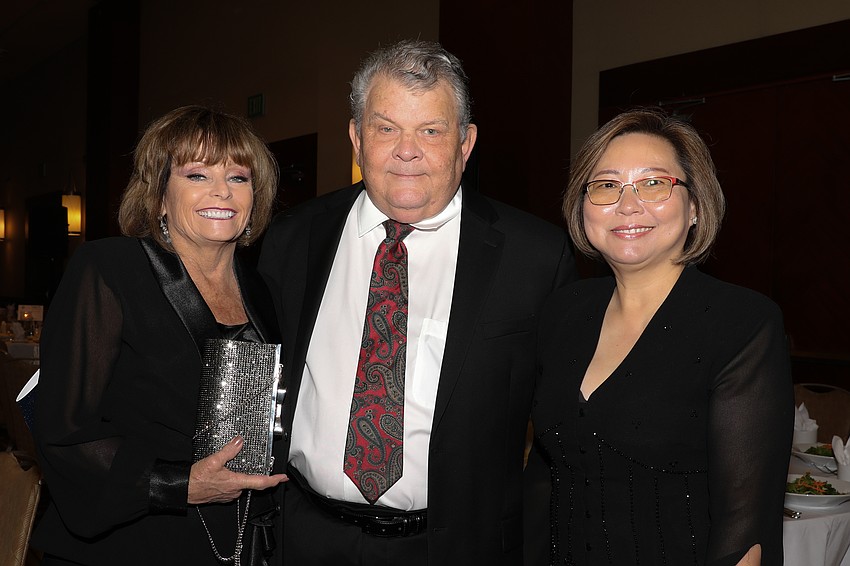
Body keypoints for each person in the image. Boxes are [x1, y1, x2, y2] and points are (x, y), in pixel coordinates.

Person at [257, 39, 577, 566]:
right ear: (357, 138)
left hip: (455, 548)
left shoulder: (535, 258)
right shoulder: (292, 239)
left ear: (466, 143)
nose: (408, 150)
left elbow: (562, 435)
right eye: (386, 128)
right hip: (304, 537)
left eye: (431, 130)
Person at [528, 108, 794, 565]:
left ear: (694, 207)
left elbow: (745, 528)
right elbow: (545, 475)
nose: (628, 205)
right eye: (607, 186)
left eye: (654, 183)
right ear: (583, 207)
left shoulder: (741, 323)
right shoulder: (563, 311)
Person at [32, 105, 288, 566]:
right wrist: (177, 484)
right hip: (128, 541)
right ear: (160, 196)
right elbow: (64, 432)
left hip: (239, 539)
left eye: (238, 177)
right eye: (196, 175)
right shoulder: (110, 269)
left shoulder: (264, 292)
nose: (220, 192)